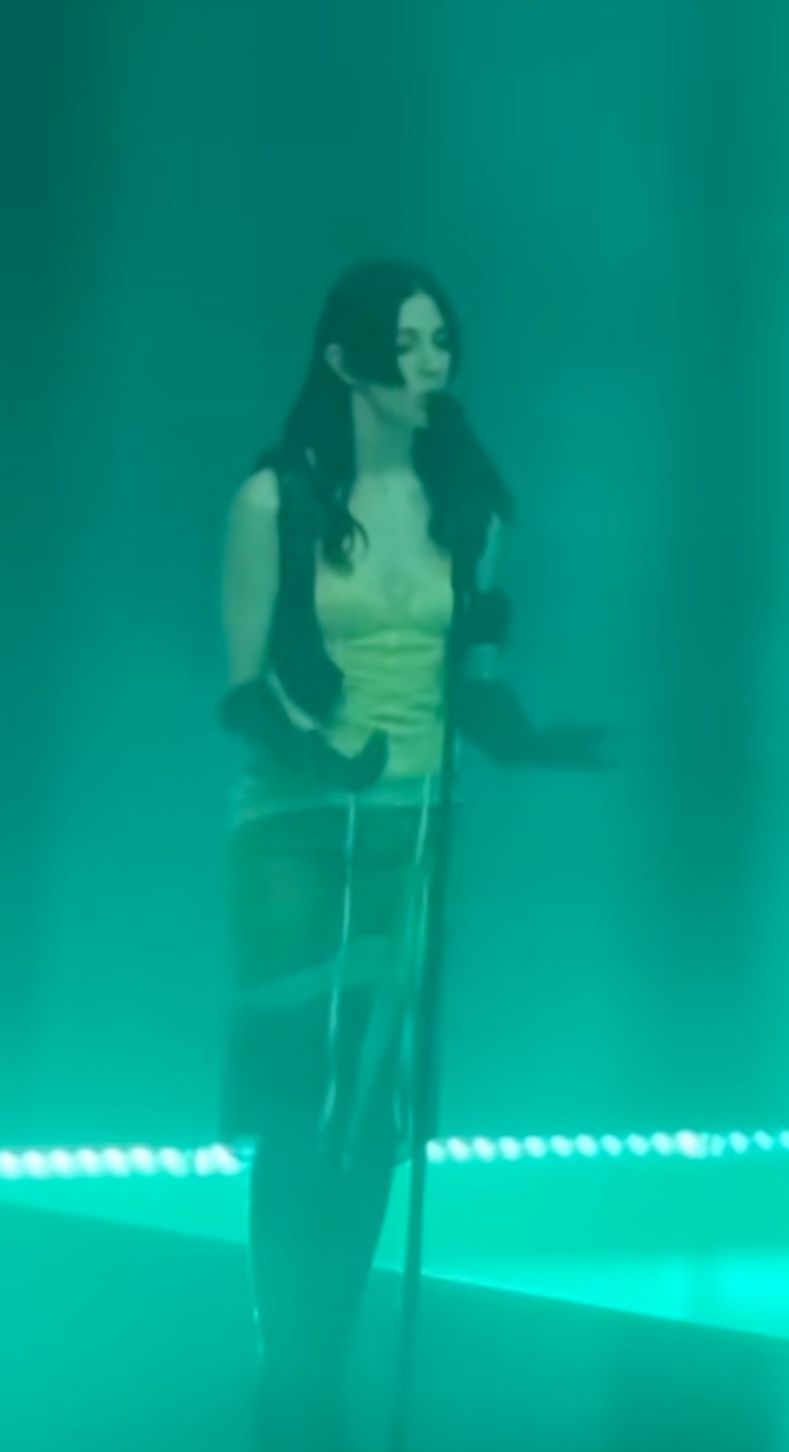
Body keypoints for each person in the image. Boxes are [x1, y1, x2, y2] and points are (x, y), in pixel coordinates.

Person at [218, 259, 612, 1451]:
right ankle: (288, 1362)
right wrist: (318, 755)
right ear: (345, 358)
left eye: (443, 339)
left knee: (373, 1106)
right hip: (293, 822)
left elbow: (475, 680)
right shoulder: (275, 501)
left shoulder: (466, 509)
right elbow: (244, 689)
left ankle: (325, 1354)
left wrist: (531, 741)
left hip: (416, 817)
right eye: (410, 341)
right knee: (300, 1097)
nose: (434, 361)